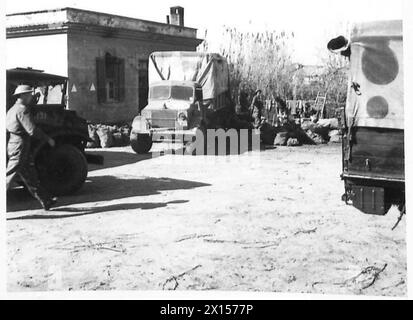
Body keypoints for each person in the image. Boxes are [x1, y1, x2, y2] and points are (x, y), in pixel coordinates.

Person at [6, 85, 57, 210]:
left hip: (14, 144)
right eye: (29, 94)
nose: (31, 96)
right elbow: (32, 130)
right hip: (20, 146)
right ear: (22, 96)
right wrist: (48, 139)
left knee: (30, 176)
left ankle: (46, 201)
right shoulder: (22, 110)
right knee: (8, 176)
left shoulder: (12, 109)